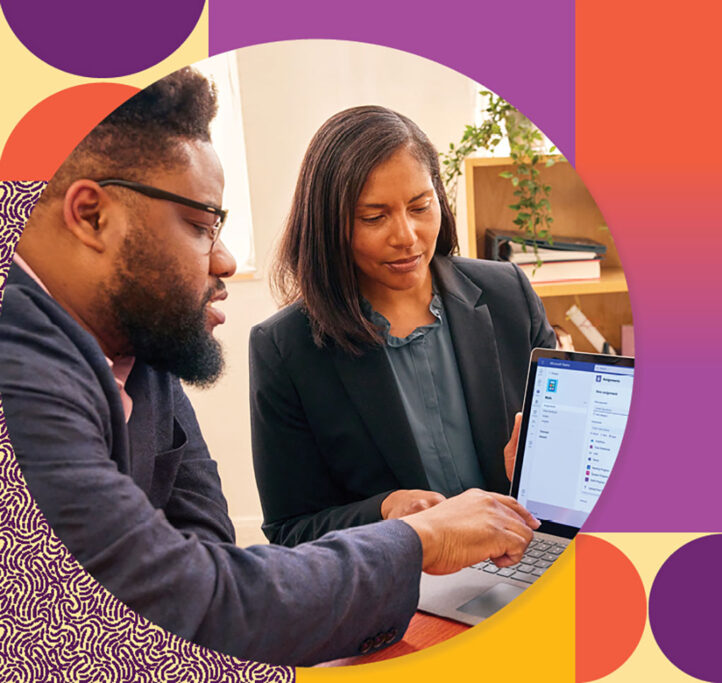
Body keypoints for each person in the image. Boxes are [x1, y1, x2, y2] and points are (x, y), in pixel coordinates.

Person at [0, 69, 540, 666]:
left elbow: (209, 557)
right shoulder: (24, 372)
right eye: (201, 227)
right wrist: (416, 537)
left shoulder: (143, 357)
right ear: (91, 216)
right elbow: (199, 593)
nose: (228, 262)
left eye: (420, 205)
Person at [250, 105, 556, 548]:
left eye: (420, 206)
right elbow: (290, 530)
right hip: (405, 587)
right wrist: (387, 511)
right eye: (374, 217)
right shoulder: (285, 347)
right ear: (328, 224)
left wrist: (543, 466)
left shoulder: (507, 292)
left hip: (523, 555)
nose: (407, 236)